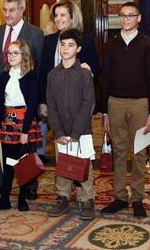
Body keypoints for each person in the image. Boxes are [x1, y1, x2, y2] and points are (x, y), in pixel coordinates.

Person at [39, 0, 100, 210]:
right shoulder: (49, 43)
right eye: (56, 16)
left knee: (82, 158)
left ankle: (87, 197)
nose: (59, 19)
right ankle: (62, 196)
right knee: (62, 156)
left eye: (63, 15)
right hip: (58, 111)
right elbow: (44, 78)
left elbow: (91, 87)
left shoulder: (85, 42)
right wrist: (53, 120)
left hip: (79, 111)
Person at [100, 2, 150, 219]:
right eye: (122, 16)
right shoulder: (111, 45)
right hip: (115, 103)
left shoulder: (148, 44)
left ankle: (137, 199)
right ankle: (120, 197)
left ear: (139, 18)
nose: (126, 19)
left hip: (140, 104)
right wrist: (104, 110)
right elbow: (104, 79)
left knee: (140, 152)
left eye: (130, 15)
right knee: (119, 151)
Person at [0, 0, 43, 198]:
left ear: (22, 10)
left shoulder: (35, 33)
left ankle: (28, 185)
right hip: (1, 98)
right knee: (2, 141)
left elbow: (38, 69)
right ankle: (3, 183)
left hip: (24, 101)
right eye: (5, 10)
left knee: (25, 145)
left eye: (11, 10)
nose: (7, 14)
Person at [0, 40, 41, 212]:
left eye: (15, 53)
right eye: (9, 53)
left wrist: (24, 131)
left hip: (24, 122)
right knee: (8, 163)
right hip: (7, 122)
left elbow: (32, 104)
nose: (11, 56)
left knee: (22, 162)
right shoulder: (4, 75)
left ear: (24, 55)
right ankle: (4, 200)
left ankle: (22, 199)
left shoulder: (31, 76)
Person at [46, 29, 96, 221]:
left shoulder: (84, 74)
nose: (66, 49)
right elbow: (51, 104)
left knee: (84, 165)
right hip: (61, 130)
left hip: (81, 130)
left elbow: (88, 103)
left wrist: (76, 132)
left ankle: (87, 199)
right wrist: (57, 130)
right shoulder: (52, 74)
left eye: (71, 45)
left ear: (78, 49)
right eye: (63, 44)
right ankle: (63, 197)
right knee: (63, 165)